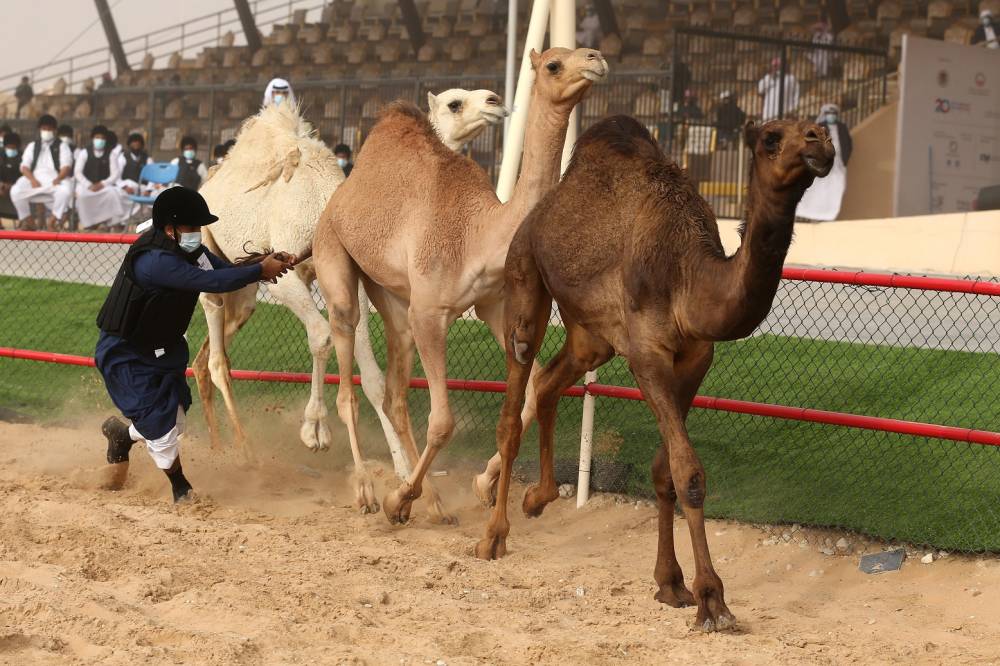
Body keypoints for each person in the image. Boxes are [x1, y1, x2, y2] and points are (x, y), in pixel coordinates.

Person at [95, 187, 296, 503]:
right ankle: (181, 489)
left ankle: (122, 435)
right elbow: (212, 283)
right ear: (170, 229)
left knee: (173, 421)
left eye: (199, 227)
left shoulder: (194, 252)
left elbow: (226, 272)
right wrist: (260, 270)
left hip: (164, 349)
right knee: (162, 431)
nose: (197, 234)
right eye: (191, 227)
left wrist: (265, 263)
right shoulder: (154, 261)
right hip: (126, 354)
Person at [9, 114, 73, 230]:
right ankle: (30, 223)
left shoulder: (62, 146)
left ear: (54, 130)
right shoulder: (32, 146)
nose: (46, 131)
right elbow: (24, 166)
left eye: (49, 129)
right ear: (40, 129)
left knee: (65, 191)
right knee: (15, 191)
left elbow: (66, 166)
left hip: (54, 179)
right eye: (44, 129)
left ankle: (52, 222)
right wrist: (32, 180)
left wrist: (58, 178)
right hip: (35, 178)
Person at [795, 103, 853, 221]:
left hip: (838, 163)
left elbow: (848, 144)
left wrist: (845, 160)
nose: (831, 116)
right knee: (820, 188)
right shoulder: (819, 127)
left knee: (837, 186)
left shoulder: (842, 127)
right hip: (824, 161)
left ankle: (830, 213)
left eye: (833, 114)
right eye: (829, 114)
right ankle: (814, 213)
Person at [74, 125, 125, 230]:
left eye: (102, 138)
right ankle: (89, 224)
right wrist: (88, 185)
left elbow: (115, 174)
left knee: (113, 193)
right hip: (87, 186)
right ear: (93, 138)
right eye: (97, 137)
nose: (100, 140)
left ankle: (113, 223)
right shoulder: (84, 153)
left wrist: (102, 184)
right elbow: (77, 172)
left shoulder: (111, 154)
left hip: (104, 187)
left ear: (106, 140)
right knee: (82, 195)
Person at [758, 56, 799, 121]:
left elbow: (796, 96)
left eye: (777, 66)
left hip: (785, 115)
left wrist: (792, 110)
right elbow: (760, 89)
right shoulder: (768, 77)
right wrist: (770, 77)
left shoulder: (791, 78)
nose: (775, 68)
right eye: (774, 66)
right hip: (769, 115)